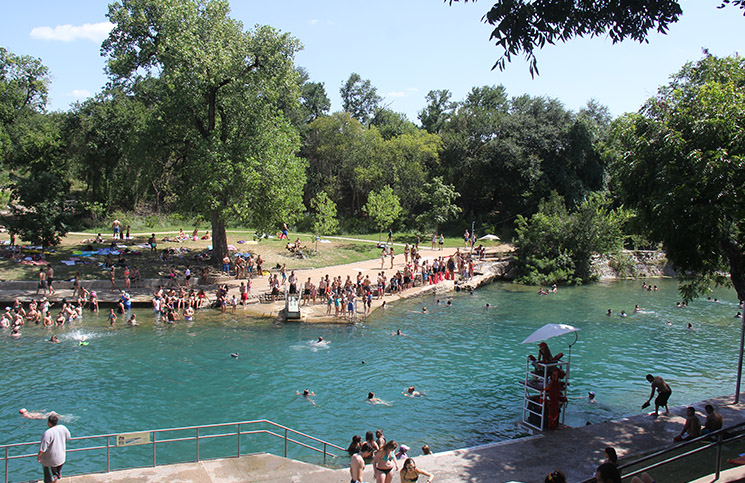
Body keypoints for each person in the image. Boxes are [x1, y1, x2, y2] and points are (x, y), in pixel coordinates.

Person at [37, 414, 71, 483]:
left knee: (49, 478)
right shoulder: (63, 428)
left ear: (49, 423)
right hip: (61, 458)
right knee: (55, 475)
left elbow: (43, 449)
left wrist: (39, 457)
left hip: (50, 460)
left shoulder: (47, 433)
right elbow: (68, 438)